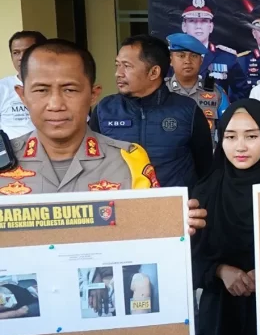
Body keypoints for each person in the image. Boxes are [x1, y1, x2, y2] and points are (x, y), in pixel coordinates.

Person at [0, 38, 206, 234]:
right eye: (41, 90)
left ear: (93, 94)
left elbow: (152, 230)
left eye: (69, 90)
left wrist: (174, 224)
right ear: (22, 95)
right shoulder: (4, 162)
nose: (55, 105)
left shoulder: (130, 160)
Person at [192, 99, 260, 335]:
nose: (240, 146)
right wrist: (220, 271)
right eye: (230, 136)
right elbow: (186, 258)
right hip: (220, 319)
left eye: (251, 136)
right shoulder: (202, 194)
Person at [89, 35, 213, 190]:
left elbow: (206, 169)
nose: (118, 73)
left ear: (154, 72)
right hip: (120, 203)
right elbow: (90, 165)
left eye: (127, 66)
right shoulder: (104, 110)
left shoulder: (188, 110)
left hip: (174, 203)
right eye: (117, 65)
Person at [179, 0, 250, 101]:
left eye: (204, 21)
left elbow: (243, 92)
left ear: (211, 26)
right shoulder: (172, 57)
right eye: (192, 21)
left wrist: (226, 105)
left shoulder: (227, 58)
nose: (198, 26)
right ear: (184, 26)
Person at [166, 33, 229, 143]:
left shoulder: (216, 93)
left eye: (194, 56)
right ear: (171, 60)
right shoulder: (160, 91)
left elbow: (229, 130)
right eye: (181, 56)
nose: (187, 61)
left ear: (201, 61)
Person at [0, 31, 47, 139]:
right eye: (16, 52)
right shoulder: (2, 88)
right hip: (13, 148)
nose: (21, 57)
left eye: (27, 51)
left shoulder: (59, 84)